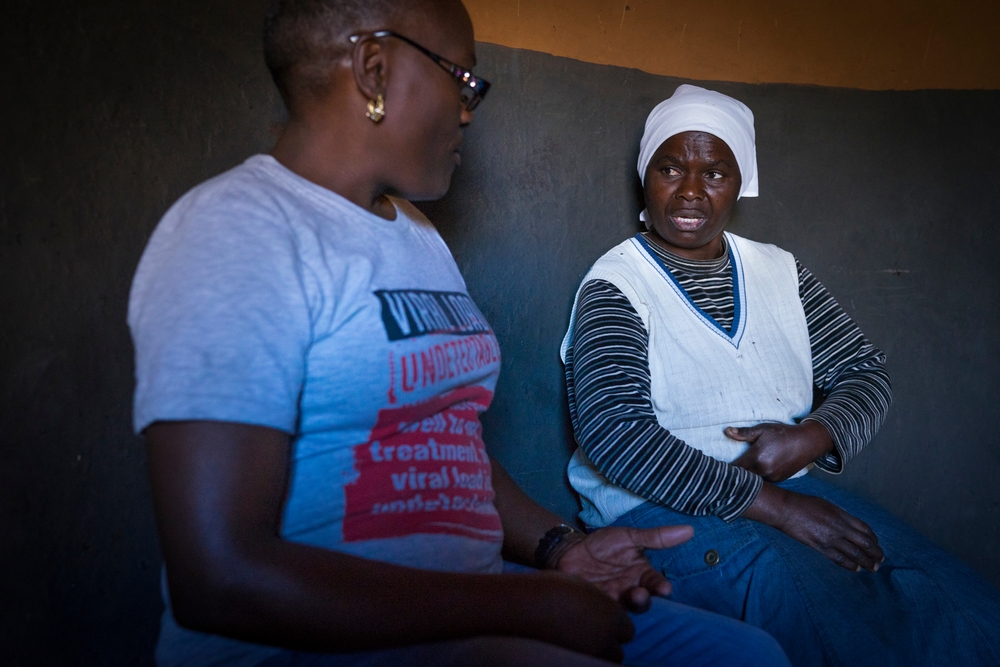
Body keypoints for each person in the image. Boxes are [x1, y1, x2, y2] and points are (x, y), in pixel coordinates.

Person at [129, 2, 791, 665]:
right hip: (315, 639)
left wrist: (561, 550)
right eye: (462, 79)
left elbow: (447, 442)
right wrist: (523, 605)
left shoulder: (413, 234)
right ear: (373, 68)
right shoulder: (237, 232)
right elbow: (220, 578)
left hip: (475, 601)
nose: (468, 110)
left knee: (749, 654)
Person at [561, 83, 1000, 667]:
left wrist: (814, 436)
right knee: (832, 629)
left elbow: (866, 372)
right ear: (647, 176)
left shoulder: (779, 272)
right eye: (670, 168)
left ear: (741, 182)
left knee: (962, 607)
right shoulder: (617, 285)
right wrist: (772, 503)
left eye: (715, 173)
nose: (690, 191)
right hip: (658, 510)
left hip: (795, 489)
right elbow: (617, 436)